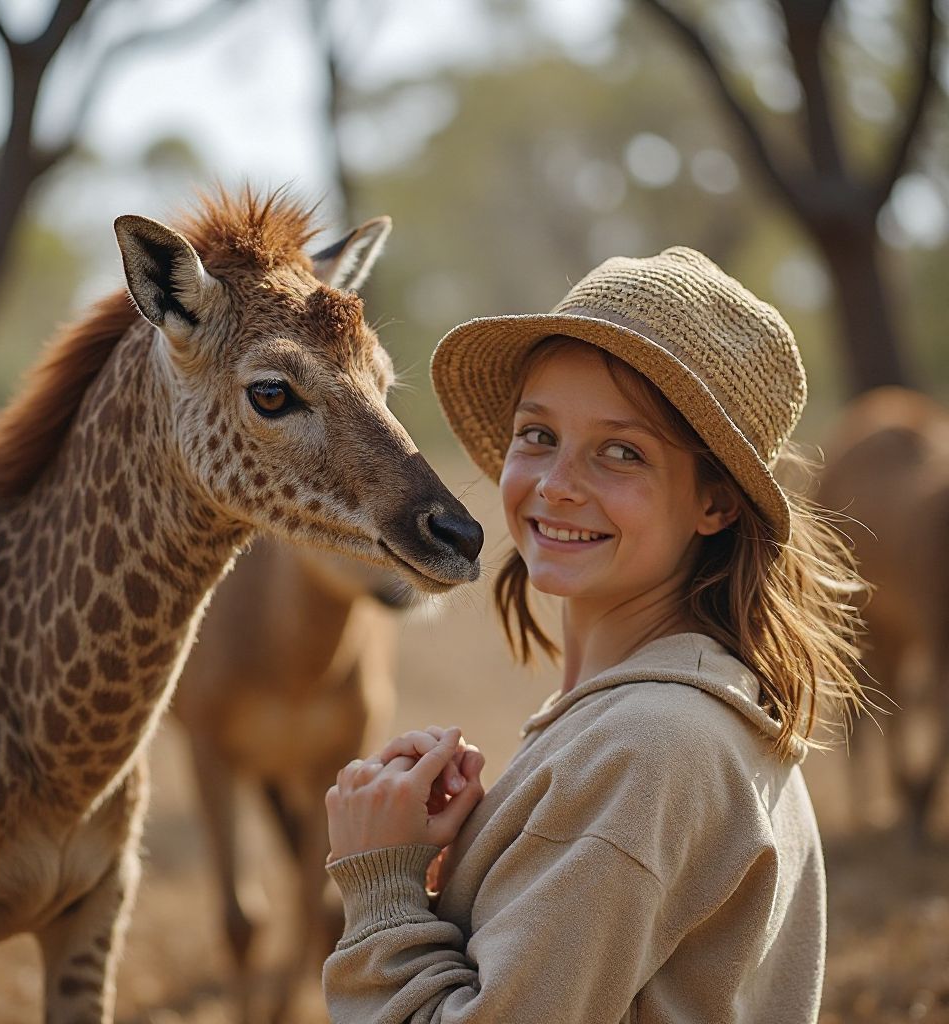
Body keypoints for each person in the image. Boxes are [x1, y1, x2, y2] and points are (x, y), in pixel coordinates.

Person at [322, 246, 865, 1023]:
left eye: (621, 452)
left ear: (715, 502)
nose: (557, 484)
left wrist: (380, 883)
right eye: (537, 435)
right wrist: (465, 872)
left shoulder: (648, 751)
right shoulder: (684, 718)